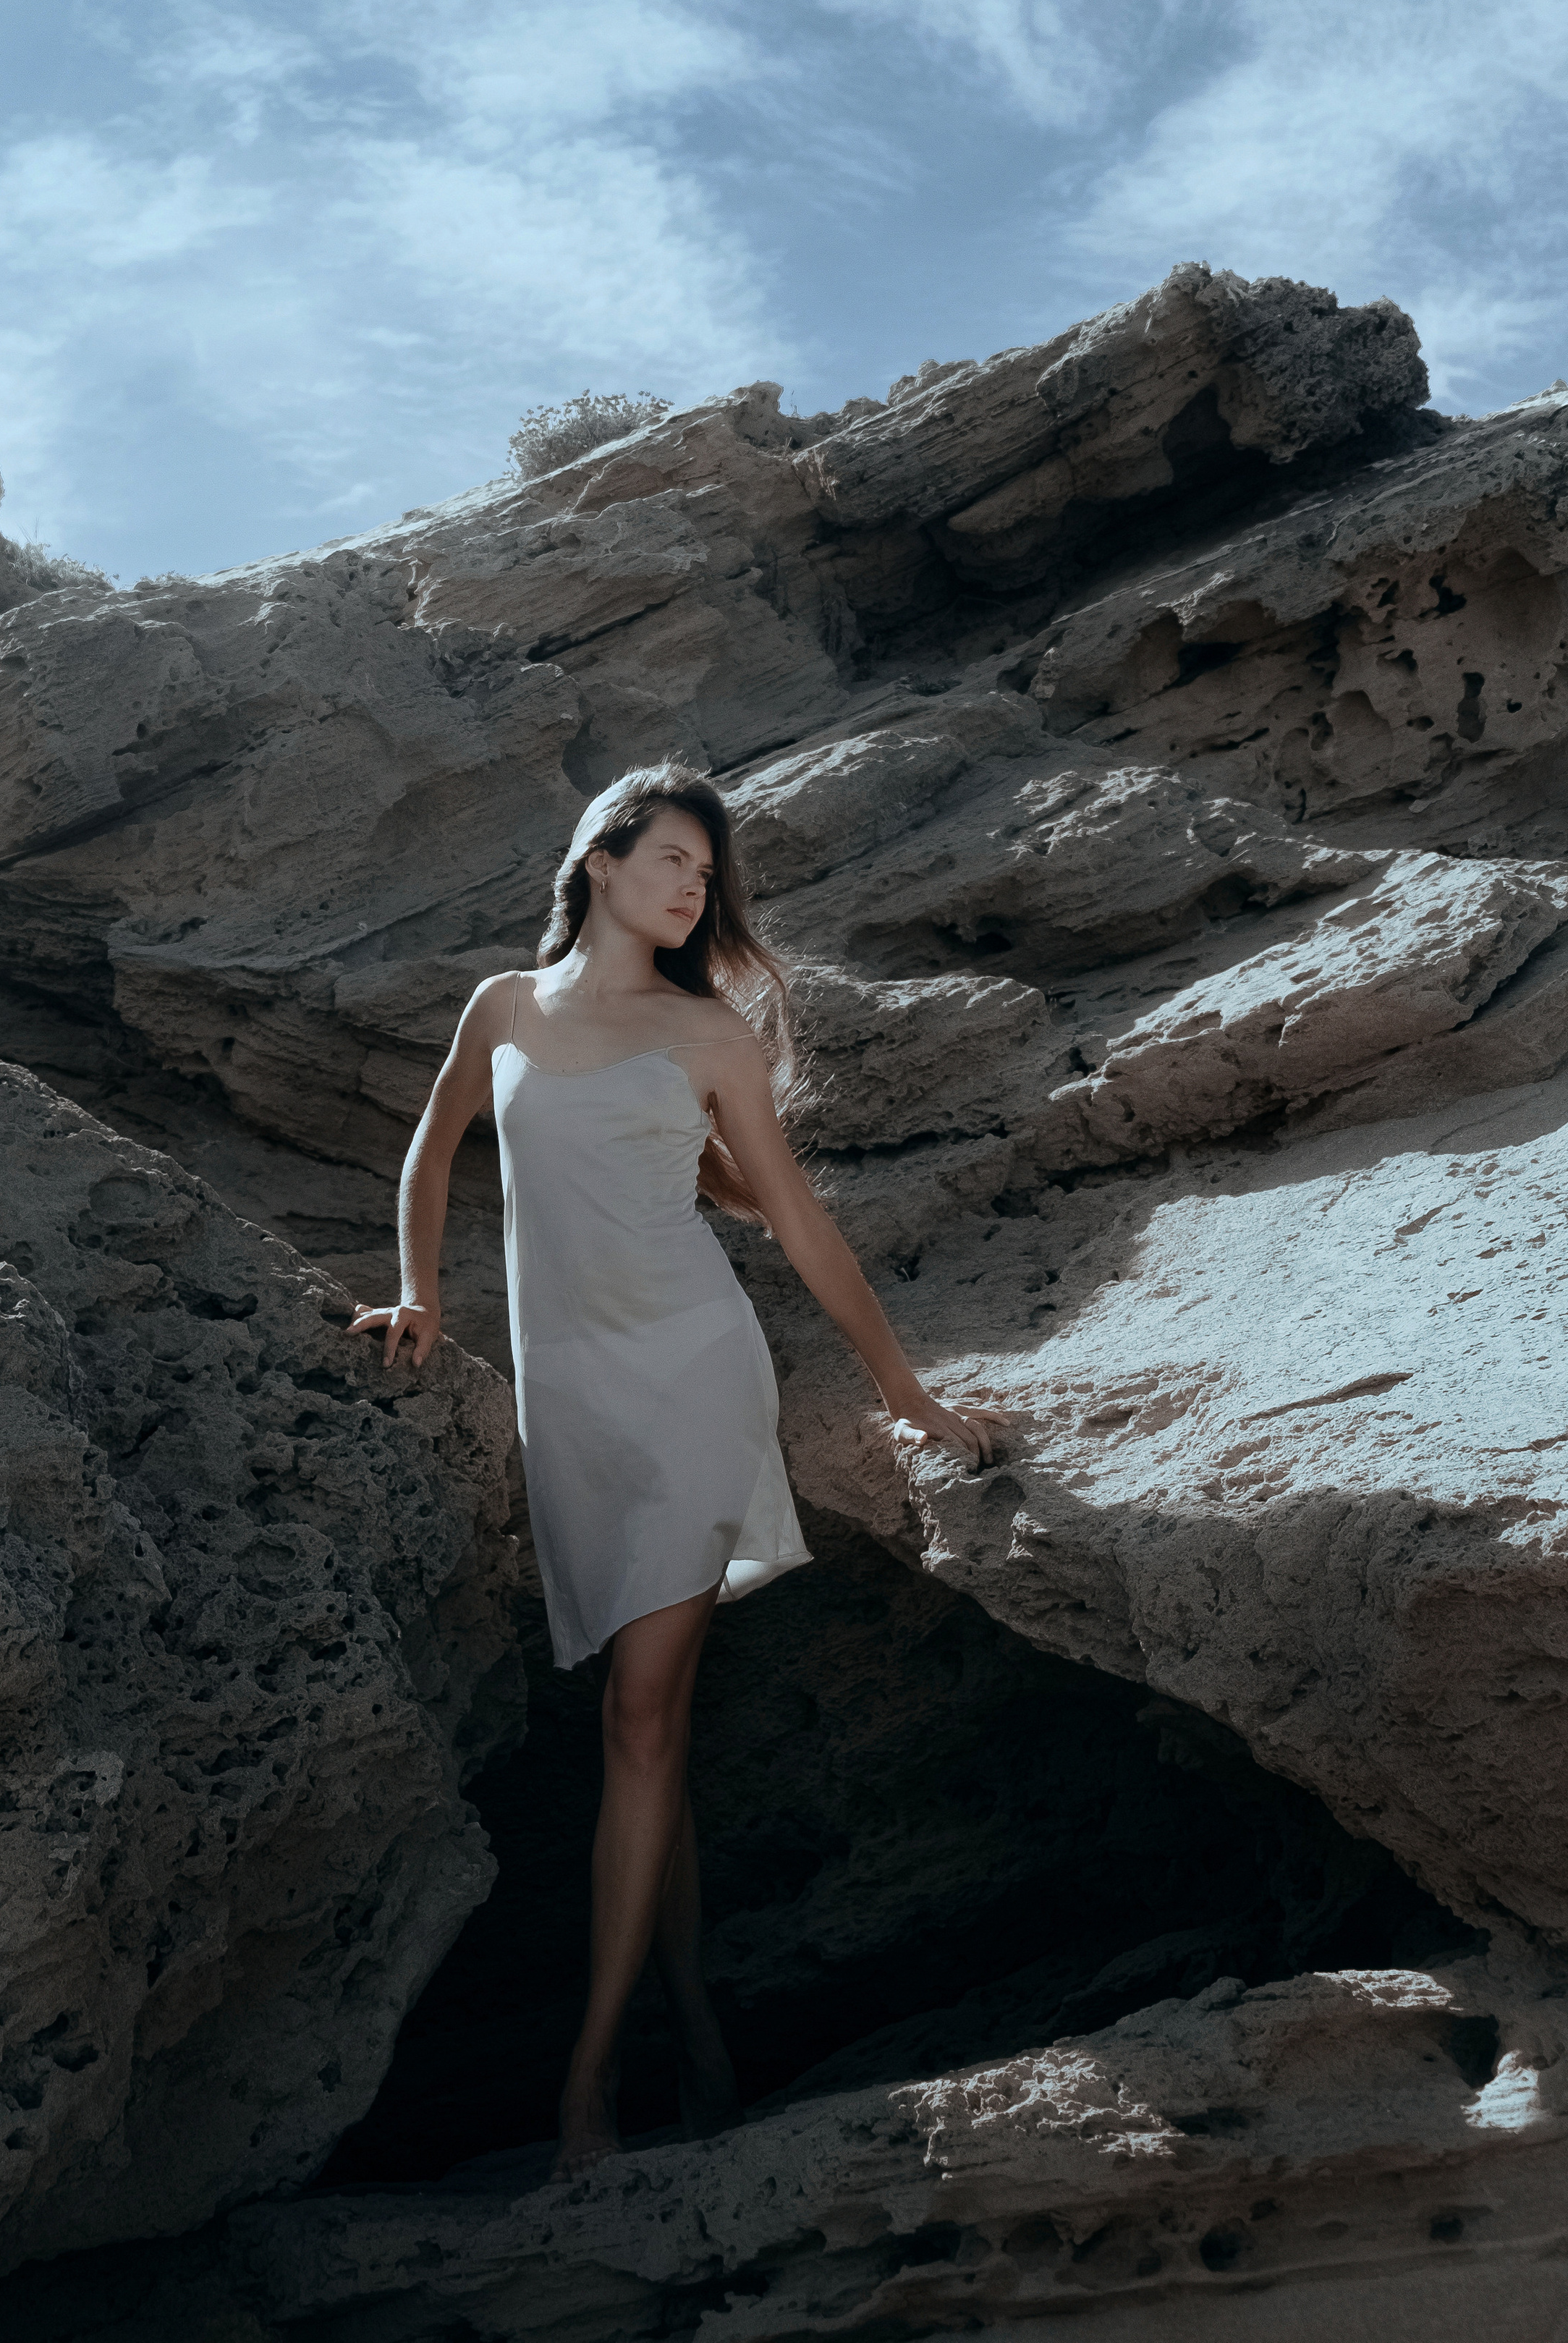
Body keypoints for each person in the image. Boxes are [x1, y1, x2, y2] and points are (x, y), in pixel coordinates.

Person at [351, 760, 1010, 2178]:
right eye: (668, 861)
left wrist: (906, 1393)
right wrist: (420, 1297)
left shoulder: (711, 1036)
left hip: (692, 1381)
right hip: (570, 1406)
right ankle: (697, 2017)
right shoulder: (500, 1009)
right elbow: (430, 1151)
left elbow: (795, 1223)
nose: (689, 888)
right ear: (598, 861)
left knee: (641, 1720)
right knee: (641, 1729)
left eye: (705, 876)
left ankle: (589, 2088)